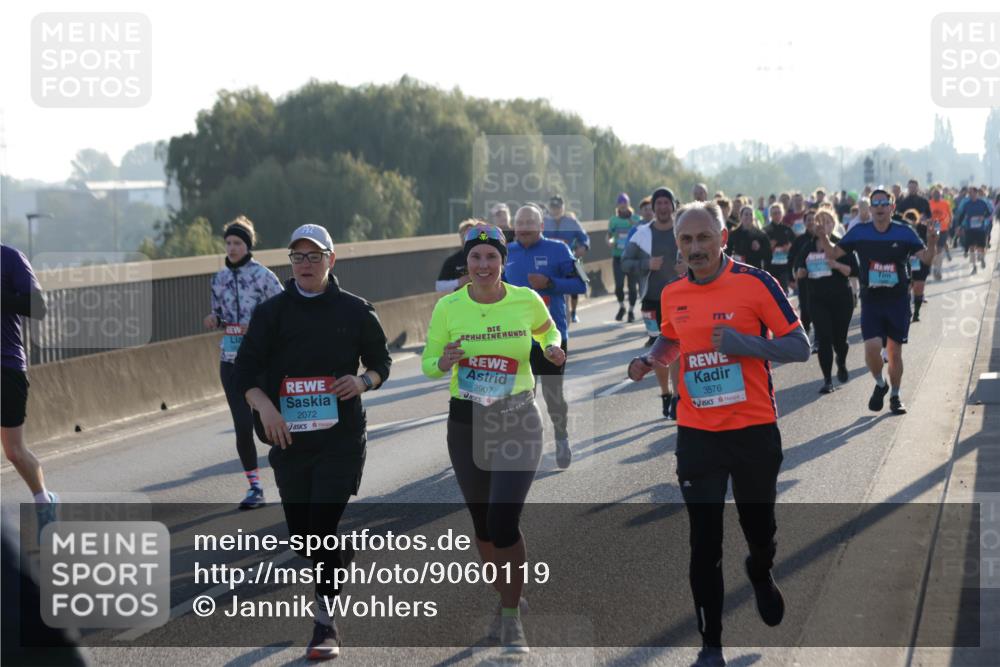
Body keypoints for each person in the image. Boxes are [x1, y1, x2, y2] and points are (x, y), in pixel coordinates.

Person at [626, 201, 810, 667]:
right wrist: (650, 359)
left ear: (722, 238)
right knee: (704, 543)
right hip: (698, 432)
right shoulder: (673, 293)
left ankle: (760, 570)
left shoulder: (756, 283)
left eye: (704, 237)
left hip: (753, 430)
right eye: (686, 240)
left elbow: (799, 346)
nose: (695, 248)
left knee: (760, 531)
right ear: (678, 245)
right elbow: (672, 337)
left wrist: (741, 343)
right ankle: (711, 645)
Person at [234, 224, 392, 660]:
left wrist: (362, 382)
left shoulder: (356, 310)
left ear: (331, 260)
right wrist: (265, 408)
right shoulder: (271, 314)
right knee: (305, 540)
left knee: (320, 530)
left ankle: (325, 624)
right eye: (298, 256)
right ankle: (340, 552)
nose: (306, 264)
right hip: (289, 441)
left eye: (314, 255)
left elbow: (381, 362)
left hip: (341, 440)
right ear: (291, 262)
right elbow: (244, 373)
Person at [422, 223, 564, 654]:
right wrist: (443, 361)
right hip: (466, 423)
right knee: (483, 525)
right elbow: (428, 363)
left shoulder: (525, 300)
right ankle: (508, 595)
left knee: (503, 522)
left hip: (518, 419)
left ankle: (511, 617)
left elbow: (549, 330)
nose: (483, 265)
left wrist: (552, 347)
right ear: (466, 261)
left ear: (503, 261)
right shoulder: (448, 307)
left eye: (491, 257)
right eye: (475, 257)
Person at [814, 188, 937, 415]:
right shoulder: (860, 232)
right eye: (876, 204)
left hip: (897, 300)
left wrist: (931, 240)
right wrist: (823, 237)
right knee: (872, 349)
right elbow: (832, 254)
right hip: (872, 300)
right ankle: (881, 384)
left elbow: (927, 258)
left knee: (894, 352)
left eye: (884, 203)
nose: (880, 207)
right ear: (870, 209)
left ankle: (896, 396)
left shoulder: (904, 232)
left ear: (892, 207)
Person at [203, 216, 283, 509]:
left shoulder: (263, 276)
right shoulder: (219, 279)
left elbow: (284, 312)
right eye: (228, 243)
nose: (232, 248)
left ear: (248, 245)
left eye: (237, 243)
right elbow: (219, 313)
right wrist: (214, 319)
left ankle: (290, 476)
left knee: (265, 426)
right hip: (231, 360)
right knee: (242, 424)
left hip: (261, 360)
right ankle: (255, 488)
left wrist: (258, 327)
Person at [505, 206, 586, 468]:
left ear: (541, 226)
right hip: (515, 338)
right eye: (520, 223)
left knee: (553, 395)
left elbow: (582, 283)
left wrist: (550, 283)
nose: (524, 228)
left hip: (550, 337)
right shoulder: (506, 252)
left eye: (530, 222)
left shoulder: (559, 249)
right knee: (520, 397)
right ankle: (525, 446)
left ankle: (561, 437)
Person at [1, 244, 58, 536]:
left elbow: (39, 307)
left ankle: (44, 501)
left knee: (13, 451)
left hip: (7, 366)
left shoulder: (10, 258)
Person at [622, 187, 683, 420]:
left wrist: (687, 267)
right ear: (653, 207)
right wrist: (646, 264)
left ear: (673, 206)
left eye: (667, 203)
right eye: (659, 203)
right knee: (658, 351)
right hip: (652, 299)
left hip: (679, 300)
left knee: (676, 349)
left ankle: (677, 397)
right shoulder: (642, 234)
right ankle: (666, 393)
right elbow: (625, 262)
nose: (663, 207)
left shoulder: (682, 230)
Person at [793, 209, 857, 393]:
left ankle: (841, 361)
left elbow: (854, 271)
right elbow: (798, 269)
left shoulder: (842, 244)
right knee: (824, 338)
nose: (823, 225)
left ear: (833, 224)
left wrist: (836, 264)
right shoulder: (808, 247)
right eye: (819, 222)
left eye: (827, 221)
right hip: (817, 299)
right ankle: (827, 380)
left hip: (841, 299)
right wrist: (800, 272)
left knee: (840, 341)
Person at [543, 195, 590, 323]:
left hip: (568, 260)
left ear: (563, 207)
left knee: (578, 281)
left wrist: (584, 246)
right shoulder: (543, 222)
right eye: (553, 207)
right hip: (548, 262)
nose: (555, 210)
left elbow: (584, 237)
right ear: (549, 207)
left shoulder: (571, 222)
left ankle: (572, 312)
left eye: (558, 207)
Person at [608, 193, 641, 321]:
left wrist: (632, 222)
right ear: (617, 205)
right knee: (619, 285)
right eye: (620, 202)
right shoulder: (613, 220)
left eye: (625, 202)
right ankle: (622, 307)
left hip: (632, 257)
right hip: (618, 256)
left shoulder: (636, 218)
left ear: (628, 204)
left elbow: (641, 232)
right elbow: (609, 236)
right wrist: (610, 242)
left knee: (632, 286)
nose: (622, 205)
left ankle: (631, 311)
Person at [901, 209, 930, 322]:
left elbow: (930, 241)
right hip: (907, 260)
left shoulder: (923, 228)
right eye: (908, 220)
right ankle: (908, 310)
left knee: (919, 286)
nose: (911, 222)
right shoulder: (902, 230)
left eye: (913, 219)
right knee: (908, 286)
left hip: (920, 260)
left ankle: (916, 312)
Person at [436, 220, 479, 292]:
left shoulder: (486, 257)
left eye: (470, 234)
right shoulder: (453, 260)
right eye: (463, 235)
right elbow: (439, 287)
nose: (466, 238)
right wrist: (458, 282)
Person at [955, 187, 990, 274]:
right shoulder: (967, 204)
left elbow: (988, 213)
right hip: (969, 228)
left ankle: (982, 258)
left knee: (981, 247)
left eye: (971, 193)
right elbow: (962, 215)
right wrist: (959, 226)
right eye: (969, 193)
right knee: (971, 248)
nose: (970, 194)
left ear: (976, 193)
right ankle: (974, 267)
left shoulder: (982, 203)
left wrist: (983, 217)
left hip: (980, 229)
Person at [727, 205, 772, 269]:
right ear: (740, 216)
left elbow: (768, 255)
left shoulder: (761, 235)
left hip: (754, 269)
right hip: (738, 269)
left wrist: (759, 248)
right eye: (746, 214)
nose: (749, 216)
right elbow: (727, 252)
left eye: (751, 214)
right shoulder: (734, 233)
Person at [764, 203, 795, 294]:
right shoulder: (766, 230)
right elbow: (761, 250)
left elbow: (795, 245)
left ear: (782, 214)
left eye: (779, 213)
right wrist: (768, 246)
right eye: (774, 213)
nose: (777, 215)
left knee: (783, 292)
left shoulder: (788, 229)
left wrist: (790, 247)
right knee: (772, 292)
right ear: (770, 215)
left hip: (785, 266)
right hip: (771, 267)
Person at [929, 187, 953, 277]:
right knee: (933, 249)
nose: (937, 196)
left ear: (941, 194)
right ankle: (935, 266)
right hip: (932, 229)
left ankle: (938, 269)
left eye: (938, 194)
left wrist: (950, 222)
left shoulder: (945, 203)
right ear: (932, 195)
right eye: (935, 194)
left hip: (943, 229)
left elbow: (950, 214)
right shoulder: (929, 203)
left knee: (939, 249)